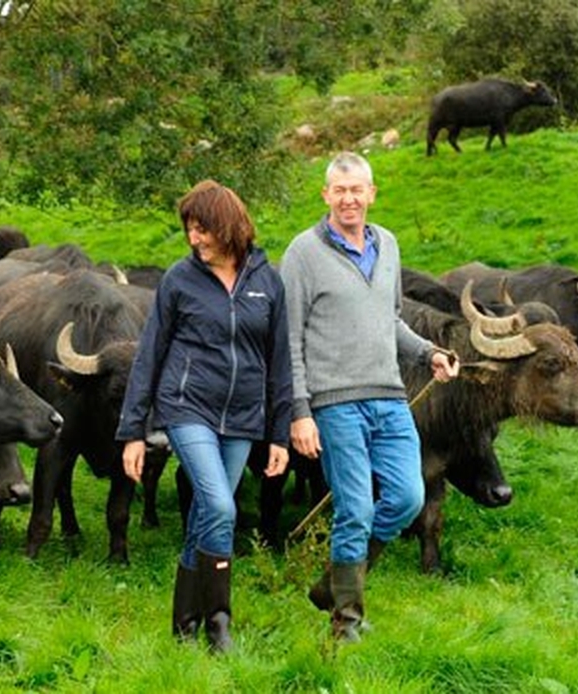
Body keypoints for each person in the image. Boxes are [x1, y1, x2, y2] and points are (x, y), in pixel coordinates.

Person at [279, 151, 459, 643]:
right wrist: (299, 412)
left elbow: (390, 320)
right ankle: (346, 622)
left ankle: (333, 585)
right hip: (335, 402)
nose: (349, 199)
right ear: (326, 196)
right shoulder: (302, 253)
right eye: (339, 190)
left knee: (406, 497)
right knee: (355, 509)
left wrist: (429, 354)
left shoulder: (389, 245)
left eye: (357, 189)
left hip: (389, 396)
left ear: (372, 193)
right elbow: (288, 338)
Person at [116, 179, 292, 653]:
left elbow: (279, 362)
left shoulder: (267, 281)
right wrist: (134, 431)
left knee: (205, 517)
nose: (194, 240)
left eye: (202, 229)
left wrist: (280, 433)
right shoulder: (178, 279)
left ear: (228, 226)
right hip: (187, 406)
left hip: (243, 416)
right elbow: (149, 354)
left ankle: (184, 625)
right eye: (189, 230)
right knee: (219, 506)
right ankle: (219, 625)